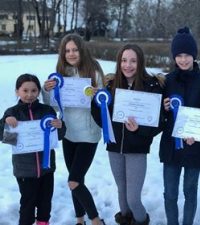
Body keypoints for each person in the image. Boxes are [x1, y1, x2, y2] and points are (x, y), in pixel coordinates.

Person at [91, 44, 164, 225]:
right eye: (124, 60)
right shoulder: (110, 84)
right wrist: (95, 103)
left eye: (133, 61)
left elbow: (159, 123)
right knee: (122, 196)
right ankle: (125, 220)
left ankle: (141, 221)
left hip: (137, 149)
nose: (128, 65)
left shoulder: (152, 86)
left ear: (140, 63)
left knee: (133, 198)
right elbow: (102, 119)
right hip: (115, 148)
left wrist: (139, 130)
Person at [42, 33, 105, 225]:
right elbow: (52, 105)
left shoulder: (93, 70)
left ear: (81, 50)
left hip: (88, 134)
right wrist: (47, 90)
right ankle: (80, 220)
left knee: (74, 181)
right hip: (69, 133)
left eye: (75, 49)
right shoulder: (60, 72)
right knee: (76, 181)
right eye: (67, 50)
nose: (71, 53)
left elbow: (102, 103)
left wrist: (96, 95)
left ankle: (96, 220)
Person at [159, 27, 200, 225]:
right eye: (179, 55)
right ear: (174, 57)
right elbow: (159, 118)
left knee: (190, 191)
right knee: (170, 193)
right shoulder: (166, 81)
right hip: (171, 146)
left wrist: (197, 134)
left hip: (195, 146)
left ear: (194, 55)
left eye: (187, 55)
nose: (183, 59)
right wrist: (164, 108)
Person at [0, 74, 66, 225]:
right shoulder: (12, 113)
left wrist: (60, 126)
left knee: (45, 203)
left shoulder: (47, 110)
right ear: (17, 91)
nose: (30, 95)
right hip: (25, 171)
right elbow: (6, 138)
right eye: (25, 90)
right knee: (28, 204)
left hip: (47, 168)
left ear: (38, 92)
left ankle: (43, 222)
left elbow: (59, 136)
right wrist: (5, 123)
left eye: (34, 90)